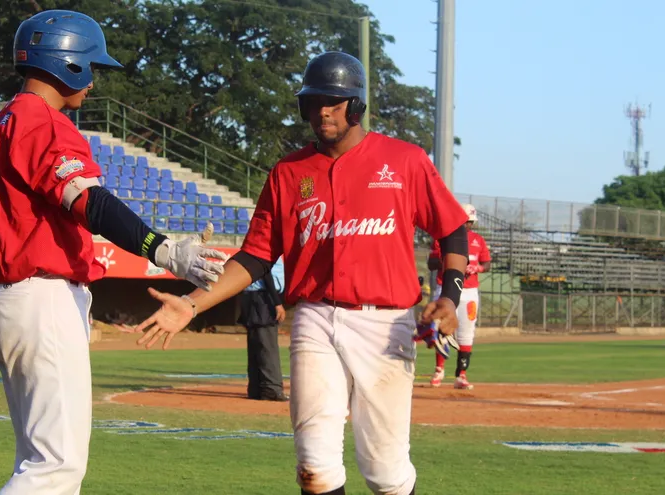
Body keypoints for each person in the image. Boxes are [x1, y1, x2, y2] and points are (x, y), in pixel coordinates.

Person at [133, 51, 469, 495]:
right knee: (315, 466)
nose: (322, 111)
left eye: (333, 101)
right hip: (315, 318)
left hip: (386, 322)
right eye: (313, 102)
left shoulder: (403, 161)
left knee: (385, 471)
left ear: (356, 105)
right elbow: (255, 256)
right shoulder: (289, 172)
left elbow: (453, 228)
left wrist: (450, 294)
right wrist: (192, 304)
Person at [0, 10, 229, 494]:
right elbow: (89, 200)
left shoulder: (1, 121)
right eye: (90, 66)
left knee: (37, 460)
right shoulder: (41, 121)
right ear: (66, 62)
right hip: (41, 297)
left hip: (13, 298)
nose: (92, 81)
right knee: (56, 467)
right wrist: (161, 248)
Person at [426, 203, 491, 390]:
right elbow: (431, 263)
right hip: (444, 289)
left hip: (469, 291)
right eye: (466, 221)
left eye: (470, 222)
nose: (467, 226)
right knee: (441, 330)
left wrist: (476, 267)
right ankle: (439, 370)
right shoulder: (443, 237)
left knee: (466, 332)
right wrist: (451, 261)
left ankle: (461, 375)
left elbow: (487, 264)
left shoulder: (478, 240)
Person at [238, 259, 287, 401]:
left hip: (251, 296)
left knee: (255, 344)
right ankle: (271, 388)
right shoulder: (268, 250)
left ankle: (256, 389)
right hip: (264, 297)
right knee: (267, 346)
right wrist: (277, 302)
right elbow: (266, 274)